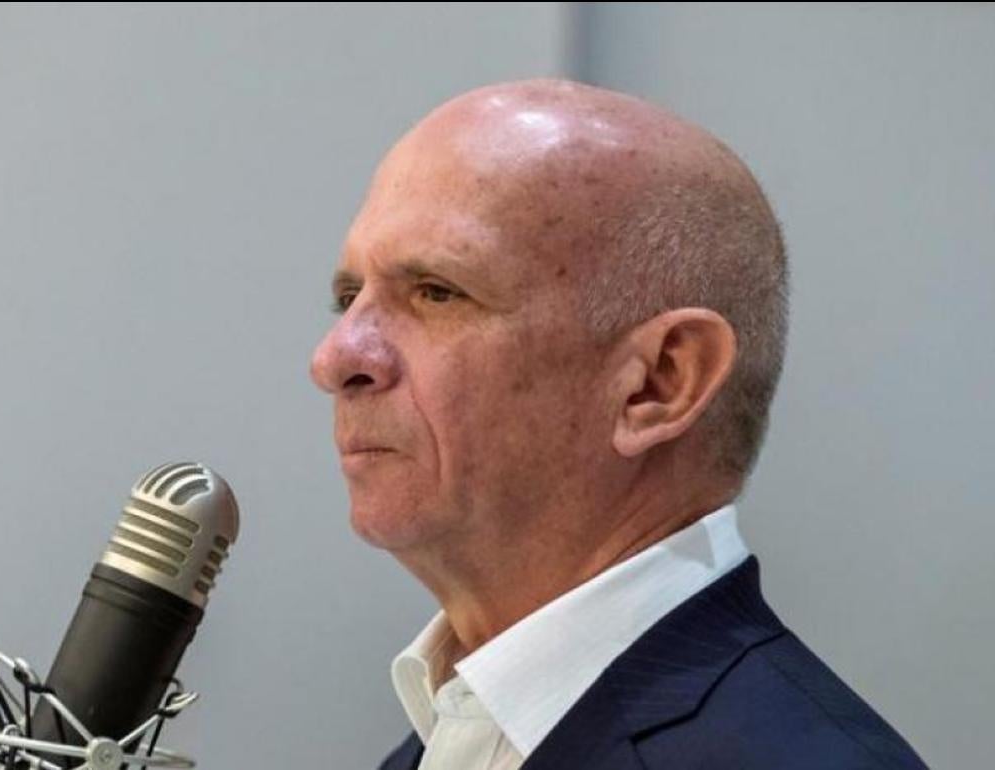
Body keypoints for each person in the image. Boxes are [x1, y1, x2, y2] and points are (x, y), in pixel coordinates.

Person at [310, 79, 925, 769]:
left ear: (659, 382)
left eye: (436, 292)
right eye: (348, 297)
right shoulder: (448, 737)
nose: (334, 358)